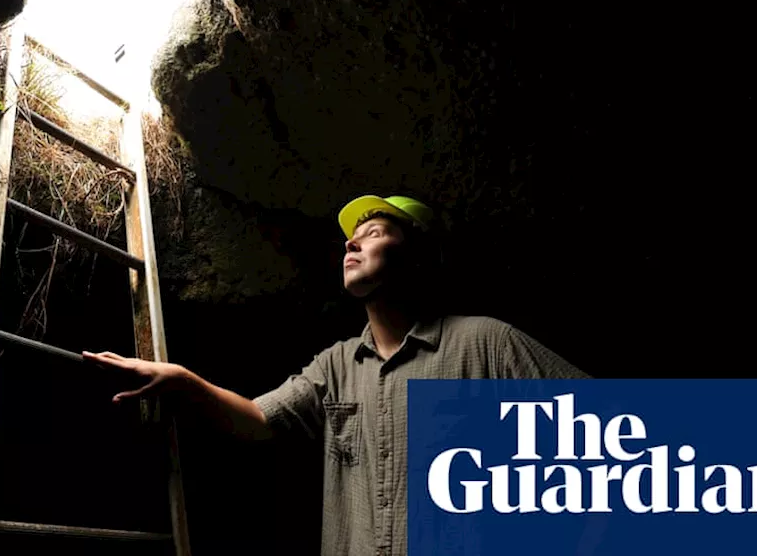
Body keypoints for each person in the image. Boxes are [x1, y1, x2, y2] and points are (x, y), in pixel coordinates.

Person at [84, 194, 588, 556]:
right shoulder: (337, 364)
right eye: (351, 236)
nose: (352, 242)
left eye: (375, 233)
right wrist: (182, 379)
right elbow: (259, 420)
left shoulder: (485, 343)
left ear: (416, 257)